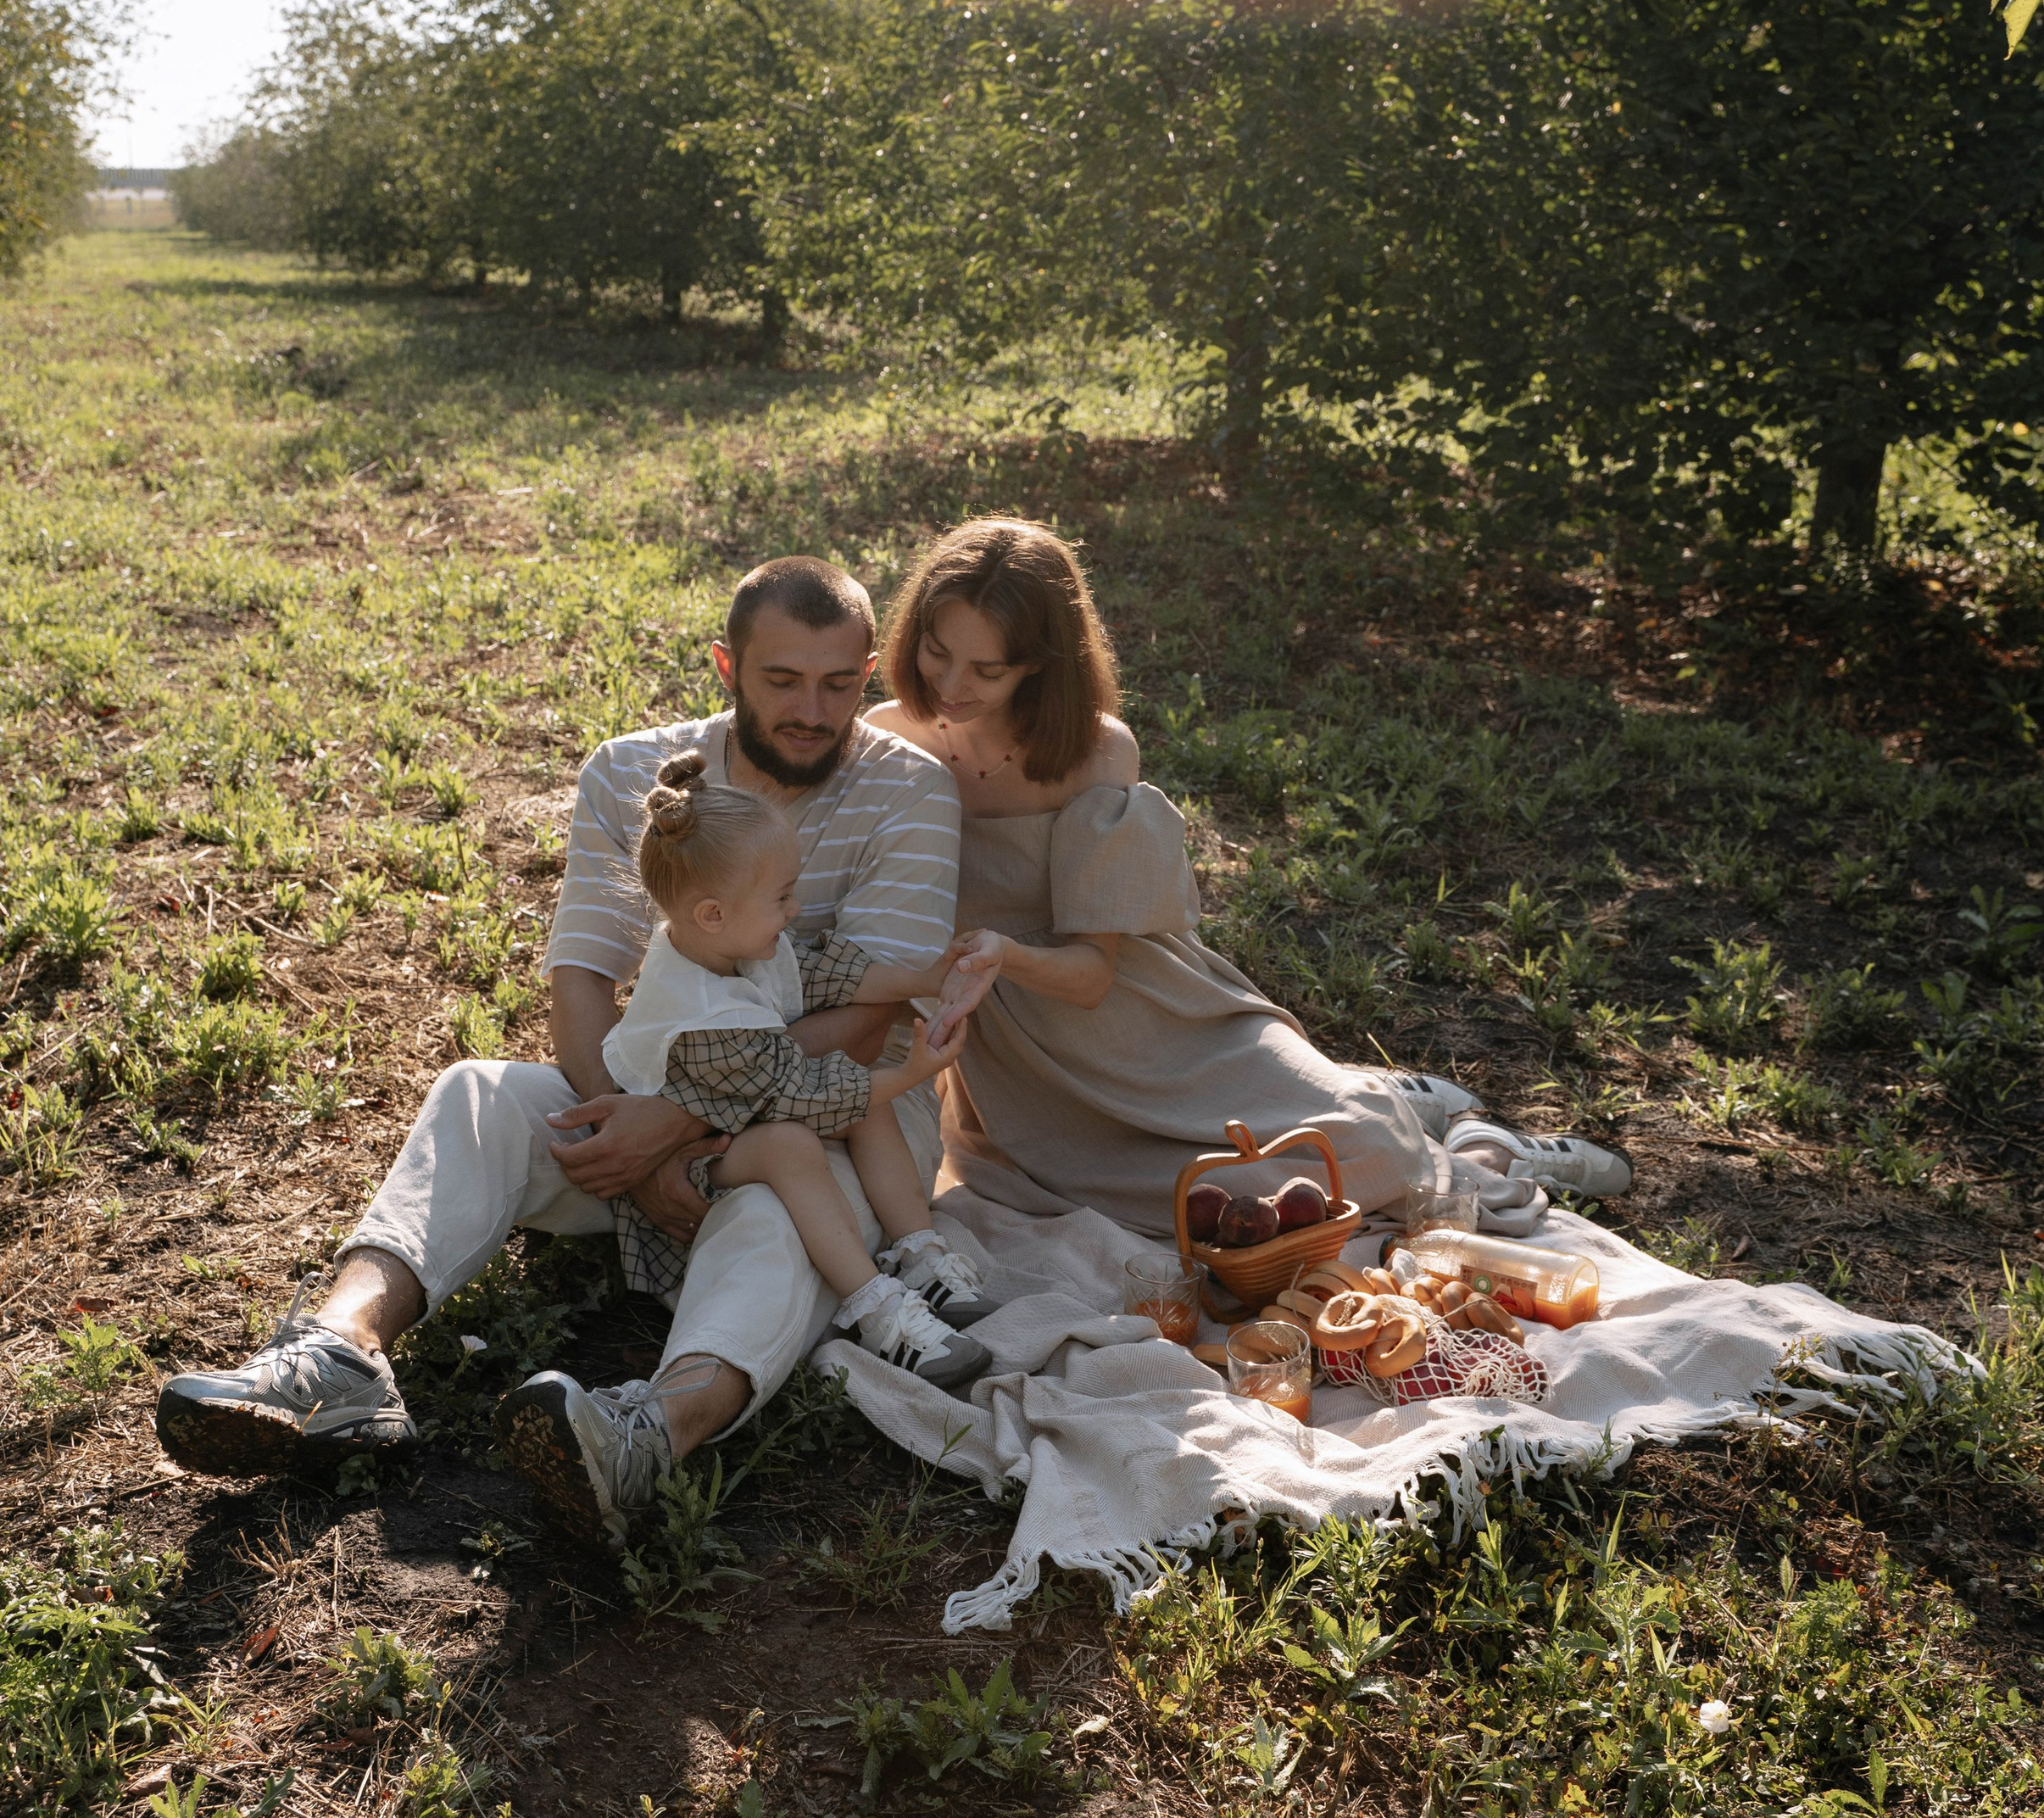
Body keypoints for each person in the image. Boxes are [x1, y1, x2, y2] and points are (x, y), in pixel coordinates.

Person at [153, 555, 986, 1544]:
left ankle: (648, 1434)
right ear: (726, 665)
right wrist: (618, 1134)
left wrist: (669, 1130)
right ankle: (339, 1354)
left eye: (840, 683)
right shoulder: (636, 771)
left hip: (834, 1113)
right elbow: (583, 976)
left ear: (869, 672)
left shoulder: (912, 792)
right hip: (650, 1087)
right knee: (477, 1091)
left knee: (780, 1209)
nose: (814, 709)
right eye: (782, 680)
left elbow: (857, 1017)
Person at [877, 518, 1632, 1231]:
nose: (950, 683)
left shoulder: (1094, 752)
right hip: (1024, 1070)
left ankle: (1487, 1150)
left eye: (988, 668)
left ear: (1040, 665)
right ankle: (1388, 1094)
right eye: (937, 652)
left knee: (1370, 1157)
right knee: (1218, 1196)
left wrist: (1003, 953)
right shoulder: (882, 742)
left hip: (1141, 1020)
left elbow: (1092, 977)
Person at [593, 748, 994, 1385]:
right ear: (714, 913)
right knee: (792, 1145)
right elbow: (804, 1096)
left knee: (870, 1101)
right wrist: (917, 1071)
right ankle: (879, 1311)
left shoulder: (728, 944)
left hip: (729, 1118)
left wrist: (928, 974)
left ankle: (919, 1254)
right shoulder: (706, 1020)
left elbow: (826, 971)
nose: (796, 910)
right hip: (679, 1168)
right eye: (782, 898)